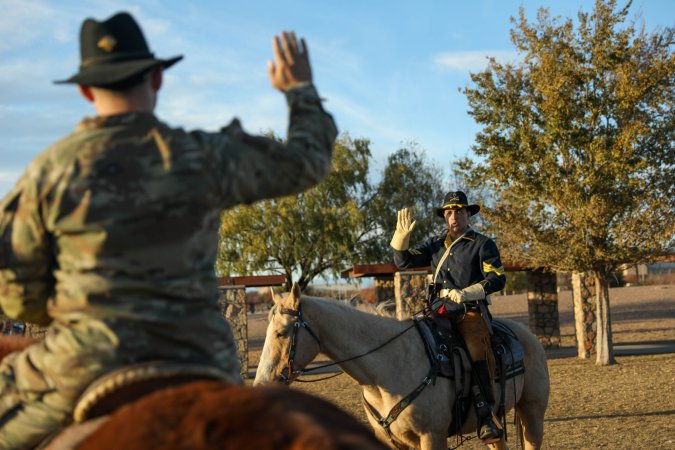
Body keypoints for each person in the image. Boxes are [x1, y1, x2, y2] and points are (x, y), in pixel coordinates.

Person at [0, 11, 337, 449]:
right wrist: (299, 90)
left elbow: (16, 295)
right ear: (157, 78)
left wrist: (61, 311)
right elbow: (306, 163)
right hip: (202, 361)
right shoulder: (203, 156)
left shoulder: (48, 173)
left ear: (85, 90)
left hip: (80, 366)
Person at [390, 191, 506, 444]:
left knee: (477, 349)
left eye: (459, 211)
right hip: (436, 312)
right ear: (445, 216)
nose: (454, 217)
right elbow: (403, 263)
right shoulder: (435, 243)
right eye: (449, 212)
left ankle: (487, 415)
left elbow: (497, 279)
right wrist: (401, 240)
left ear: (468, 214)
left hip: (469, 311)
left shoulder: (483, 244)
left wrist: (465, 293)